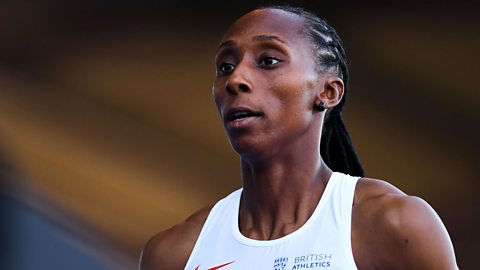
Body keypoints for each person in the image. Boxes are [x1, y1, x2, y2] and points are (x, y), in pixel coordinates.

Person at [139, 5, 458, 270]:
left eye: (268, 61)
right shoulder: (174, 254)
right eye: (225, 66)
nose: (236, 79)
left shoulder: (394, 225)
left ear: (327, 92)